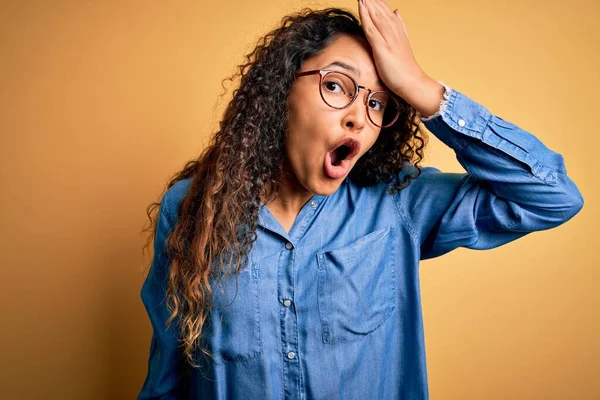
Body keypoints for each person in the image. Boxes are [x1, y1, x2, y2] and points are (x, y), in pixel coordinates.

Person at [137, 2, 584, 399]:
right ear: (281, 92)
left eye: (378, 102)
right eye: (336, 86)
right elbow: (168, 380)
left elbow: (552, 197)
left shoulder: (397, 204)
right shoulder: (191, 207)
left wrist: (420, 86)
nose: (358, 117)